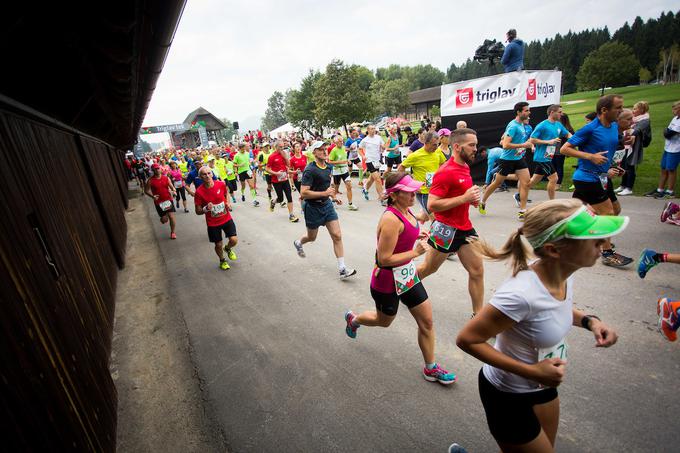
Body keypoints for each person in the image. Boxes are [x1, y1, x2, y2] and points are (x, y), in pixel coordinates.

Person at [456, 198, 624, 453]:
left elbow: (554, 307)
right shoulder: (520, 294)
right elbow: (467, 340)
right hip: (507, 394)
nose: (604, 244)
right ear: (554, 250)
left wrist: (591, 322)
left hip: (542, 387)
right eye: (594, 239)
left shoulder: (562, 272)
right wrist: (531, 371)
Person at [344, 172, 457, 385]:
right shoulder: (390, 219)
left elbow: (408, 232)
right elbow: (384, 259)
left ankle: (430, 368)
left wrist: (420, 234)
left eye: (414, 189)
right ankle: (355, 319)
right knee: (383, 322)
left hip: (406, 277)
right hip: (386, 280)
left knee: (427, 321)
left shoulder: (407, 210)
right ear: (394, 195)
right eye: (408, 191)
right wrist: (415, 253)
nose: (414, 194)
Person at [560, 94, 634, 267]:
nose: (621, 111)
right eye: (618, 108)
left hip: (602, 177)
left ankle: (578, 237)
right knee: (607, 212)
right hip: (587, 177)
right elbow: (565, 149)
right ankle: (607, 253)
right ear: (604, 110)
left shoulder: (613, 126)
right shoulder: (590, 128)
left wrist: (614, 163)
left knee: (613, 209)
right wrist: (590, 156)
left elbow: (607, 148)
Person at [417, 128, 484, 316]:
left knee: (477, 271)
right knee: (429, 268)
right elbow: (432, 204)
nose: (475, 149)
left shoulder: (465, 166)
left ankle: (477, 315)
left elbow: (460, 195)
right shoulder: (445, 172)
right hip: (444, 230)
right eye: (471, 145)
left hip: (465, 228)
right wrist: (464, 198)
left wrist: (470, 200)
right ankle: (401, 286)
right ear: (457, 146)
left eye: (476, 145)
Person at [293, 141, 356, 279]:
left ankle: (342, 269)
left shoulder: (328, 167)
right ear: (314, 153)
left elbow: (328, 185)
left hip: (327, 205)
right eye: (320, 149)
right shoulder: (310, 170)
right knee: (312, 237)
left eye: (325, 148)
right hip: (312, 207)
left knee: (337, 235)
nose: (324, 151)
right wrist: (325, 194)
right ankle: (299, 243)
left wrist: (333, 197)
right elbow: (304, 193)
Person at [479, 102, 534, 220]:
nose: (529, 113)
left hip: (519, 159)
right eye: (526, 111)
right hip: (507, 159)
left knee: (526, 182)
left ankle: (523, 210)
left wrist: (525, 146)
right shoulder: (513, 126)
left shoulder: (522, 125)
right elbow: (505, 145)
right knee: (496, 183)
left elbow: (504, 139)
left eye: (529, 110)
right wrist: (523, 145)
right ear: (519, 112)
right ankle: (482, 201)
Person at [194, 166, 238, 270]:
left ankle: (227, 249)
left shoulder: (220, 184)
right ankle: (222, 260)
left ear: (212, 174)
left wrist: (227, 203)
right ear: (200, 177)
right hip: (213, 223)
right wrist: (205, 208)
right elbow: (197, 211)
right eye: (204, 174)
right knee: (218, 244)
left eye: (209, 173)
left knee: (234, 240)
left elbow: (226, 193)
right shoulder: (199, 192)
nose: (207, 176)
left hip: (226, 218)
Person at [397, 130, 446, 223]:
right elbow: (401, 168)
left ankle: (404, 218)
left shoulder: (438, 151)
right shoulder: (416, 155)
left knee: (425, 217)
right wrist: (410, 183)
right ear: (426, 143)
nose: (436, 147)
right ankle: (433, 237)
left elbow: (443, 165)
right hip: (424, 192)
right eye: (434, 145)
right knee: (435, 219)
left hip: (436, 190)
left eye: (437, 144)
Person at [528, 105, 572, 200]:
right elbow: (532, 139)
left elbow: (567, 134)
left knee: (534, 181)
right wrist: (548, 142)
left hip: (548, 156)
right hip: (541, 157)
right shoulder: (542, 125)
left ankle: (519, 195)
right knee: (554, 179)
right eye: (559, 112)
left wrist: (576, 140)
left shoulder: (558, 124)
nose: (562, 114)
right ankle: (552, 202)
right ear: (552, 112)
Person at [645, 100, 680, 199]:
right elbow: (667, 130)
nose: (673, 110)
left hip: (676, 149)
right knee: (664, 168)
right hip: (668, 147)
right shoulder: (675, 119)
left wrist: (666, 132)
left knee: (671, 169)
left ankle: (670, 191)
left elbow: (668, 134)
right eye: (673, 108)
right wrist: (666, 131)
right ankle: (660, 189)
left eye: (676, 109)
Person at [265, 142, 299, 223]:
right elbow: (267, 169)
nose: (282, 148)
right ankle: (273, 202)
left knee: (289, 197)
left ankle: (291, 215)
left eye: (283, 147)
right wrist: (276, 173)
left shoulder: (284, 154)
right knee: (280, 199)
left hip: (285, 179)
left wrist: (286, 157)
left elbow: (288, 165)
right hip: (276, 181)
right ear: (275, 147)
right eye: (280, 147)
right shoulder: (272, 156)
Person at [145, 163, 177, 239]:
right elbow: (146, 190)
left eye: (158, 168)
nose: (157, 170)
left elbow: (172, 187)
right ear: (153, 170)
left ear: (160, 169)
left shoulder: (166, 178)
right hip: (159, 202)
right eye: (155, 169)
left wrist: (174, 191)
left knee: (171, 217)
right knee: (164, 220)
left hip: (168, 200)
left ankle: (172, 232)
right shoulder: (150, 180)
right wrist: (152, 196)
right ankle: (164, 217)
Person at [328, 135, 358, 211]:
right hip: (337, 171)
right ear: (335, 142)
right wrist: (341, 162)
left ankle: (350, 204)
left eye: (342, 141)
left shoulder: (344, 148)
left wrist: (348, 160)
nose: (341, 143)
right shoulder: (334, 150)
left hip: (344, 170)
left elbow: (344, 157)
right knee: (336, 189)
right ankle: (333, 201)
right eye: (339, 141)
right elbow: (330, 161)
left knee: (349, 185)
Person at [359, 125, 386, 203]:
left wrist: (384, 147)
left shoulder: (378, 138)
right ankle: (382, 197)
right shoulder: (365, 140)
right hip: (369, 160)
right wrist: (363, 156)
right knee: (378, 179)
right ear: (368, 130)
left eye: (374, 128)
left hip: (377, 160)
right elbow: (359, 149)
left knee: (372, 178)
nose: (373, 130)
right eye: (371, 129)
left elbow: (383, 146)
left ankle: (365, 189)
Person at [552, 112, 575, 189]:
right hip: (552, 149)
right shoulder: (556, 126)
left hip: (560, 150)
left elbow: (572, 140)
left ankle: (558, 183)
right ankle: (553, 182)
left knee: (559, 166)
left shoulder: (568, 129)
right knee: (553, 166)